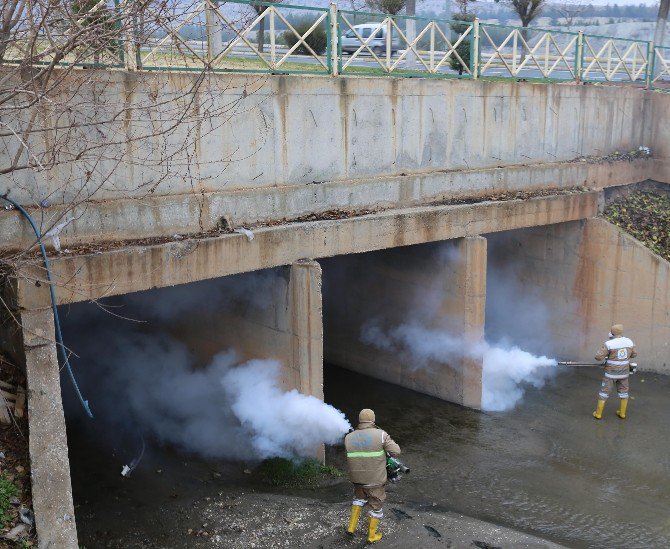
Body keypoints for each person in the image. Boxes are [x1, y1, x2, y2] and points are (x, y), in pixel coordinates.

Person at [344, 408, 401, 543]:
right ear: (373, 420)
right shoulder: (381, 434)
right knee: (376, 504)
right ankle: (371, 536)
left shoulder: (348, 437)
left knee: (358, 498)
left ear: (360, 420)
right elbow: (396, 452)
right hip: (375, 481)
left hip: (357, 480)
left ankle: (351, 528)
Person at [593, 324, 637, 420]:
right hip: (624, 373)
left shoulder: (609, 344)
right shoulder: (629, 342)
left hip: (610, 374)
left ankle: (598, 414)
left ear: (612, 333)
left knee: (604, 392)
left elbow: (598, 357)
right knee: (624, 392)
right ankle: (622, 413)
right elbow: (634, 354)